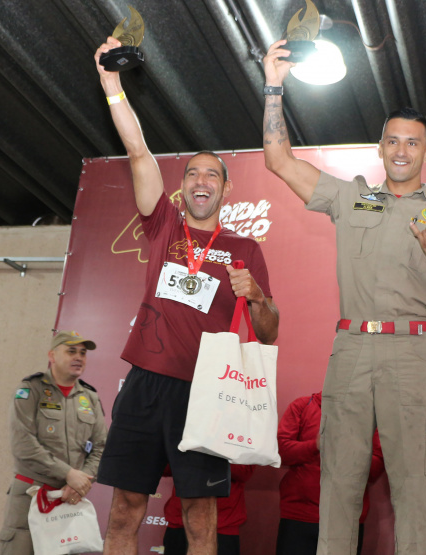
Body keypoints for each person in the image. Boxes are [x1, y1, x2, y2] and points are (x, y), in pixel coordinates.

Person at [262, 40, 426, 555]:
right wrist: (274, 84)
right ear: (381, 147)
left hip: (409, 353)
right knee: (338, 483)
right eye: (393, 141)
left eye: (413, 143)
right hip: (350, 350)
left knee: (412, 485)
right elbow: (277, 159)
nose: (402, 151)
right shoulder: (352, 196)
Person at [94, 36, 280, 555]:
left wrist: (259, 299)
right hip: (145, 384)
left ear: (226, 189)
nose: (202, 181)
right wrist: (111, 84)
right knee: (126, 511)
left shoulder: (244, 247)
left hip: (206, 392)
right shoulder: (163, 225)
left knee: (200, 518)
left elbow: (269, 333)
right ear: (182, 189)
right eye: (193, 174)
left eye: (212, 175)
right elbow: (137, 150)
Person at [0, 330, 106, 555]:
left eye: (83, 353)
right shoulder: (30, 390)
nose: (79, 357)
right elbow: (23, 444)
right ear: (52, 355)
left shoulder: (90, 398)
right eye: (71, 351)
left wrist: (80, 481)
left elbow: (100, 447)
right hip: (30, 495)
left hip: (69, 499)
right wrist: (68, 473)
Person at [276, 391, 386, 555]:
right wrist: (316, 446)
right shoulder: (302, 405)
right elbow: (281, 451)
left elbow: (375, 470)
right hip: (298, 517)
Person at [163, 465, 255, 555]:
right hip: (180, 522)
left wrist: (204, 457)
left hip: (222, 525)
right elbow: (161, 466)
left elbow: (245, 471)